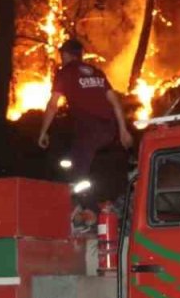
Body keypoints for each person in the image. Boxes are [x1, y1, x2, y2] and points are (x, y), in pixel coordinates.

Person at [37, 39, 134, 209]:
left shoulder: (65, 73)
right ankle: (112, 203)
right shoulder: (96, 72)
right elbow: (114, 102)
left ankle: (85, 212)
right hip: (109, 129)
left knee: (76, 176)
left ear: (66, 55)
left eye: (62, 54)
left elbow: (53, 105)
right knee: (101, 169)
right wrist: (123, 130)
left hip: (89, 130)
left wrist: (43, 132)